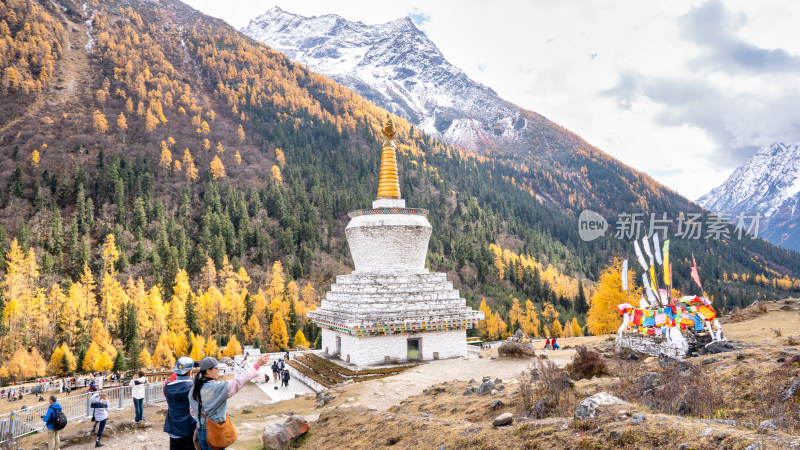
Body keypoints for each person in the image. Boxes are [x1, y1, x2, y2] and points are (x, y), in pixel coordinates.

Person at [190, 355, 268, 450]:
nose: (218, 370)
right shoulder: (216, 388)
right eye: (216, 368)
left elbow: (192, 411)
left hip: (200, 432)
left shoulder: (193, 389)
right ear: (208, 371)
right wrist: (256, 365)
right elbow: (237, 382)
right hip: (214, 432)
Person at [164, 357, 196, 450]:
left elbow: (171, 380)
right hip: (190, 429)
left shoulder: (168, 387)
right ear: (190, 372)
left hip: (174, 430)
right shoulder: (194, 387)